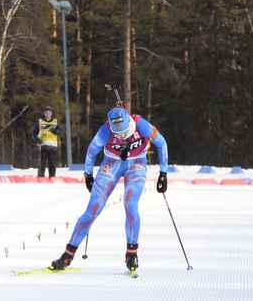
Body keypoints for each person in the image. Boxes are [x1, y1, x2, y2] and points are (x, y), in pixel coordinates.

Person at [50, 105, 168, 273]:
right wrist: (88, 175)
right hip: (111, 164)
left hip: (136, 163)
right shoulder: (106, 130)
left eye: (124, 131)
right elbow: (91, 151)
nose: (120, 135)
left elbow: (161, 143)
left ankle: (132, 253)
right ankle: (67, 255)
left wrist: (163, 174)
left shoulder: (140, 124)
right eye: (117, 132)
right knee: (92, 209)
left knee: (130, 204)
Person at [33, 106, 64, 178]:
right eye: (46, 112)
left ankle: (52, 177)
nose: (48, 113)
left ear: (51, 113)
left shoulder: (56, 122)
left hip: (53, 146)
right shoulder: (39, 121)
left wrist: (55, 131)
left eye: (49, 112)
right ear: (44, 113)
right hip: (42, 146)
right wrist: (37, 140)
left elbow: (61, 133)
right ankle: (41, 177)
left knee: (52, 164)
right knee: (41, 164)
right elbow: (34, 133)